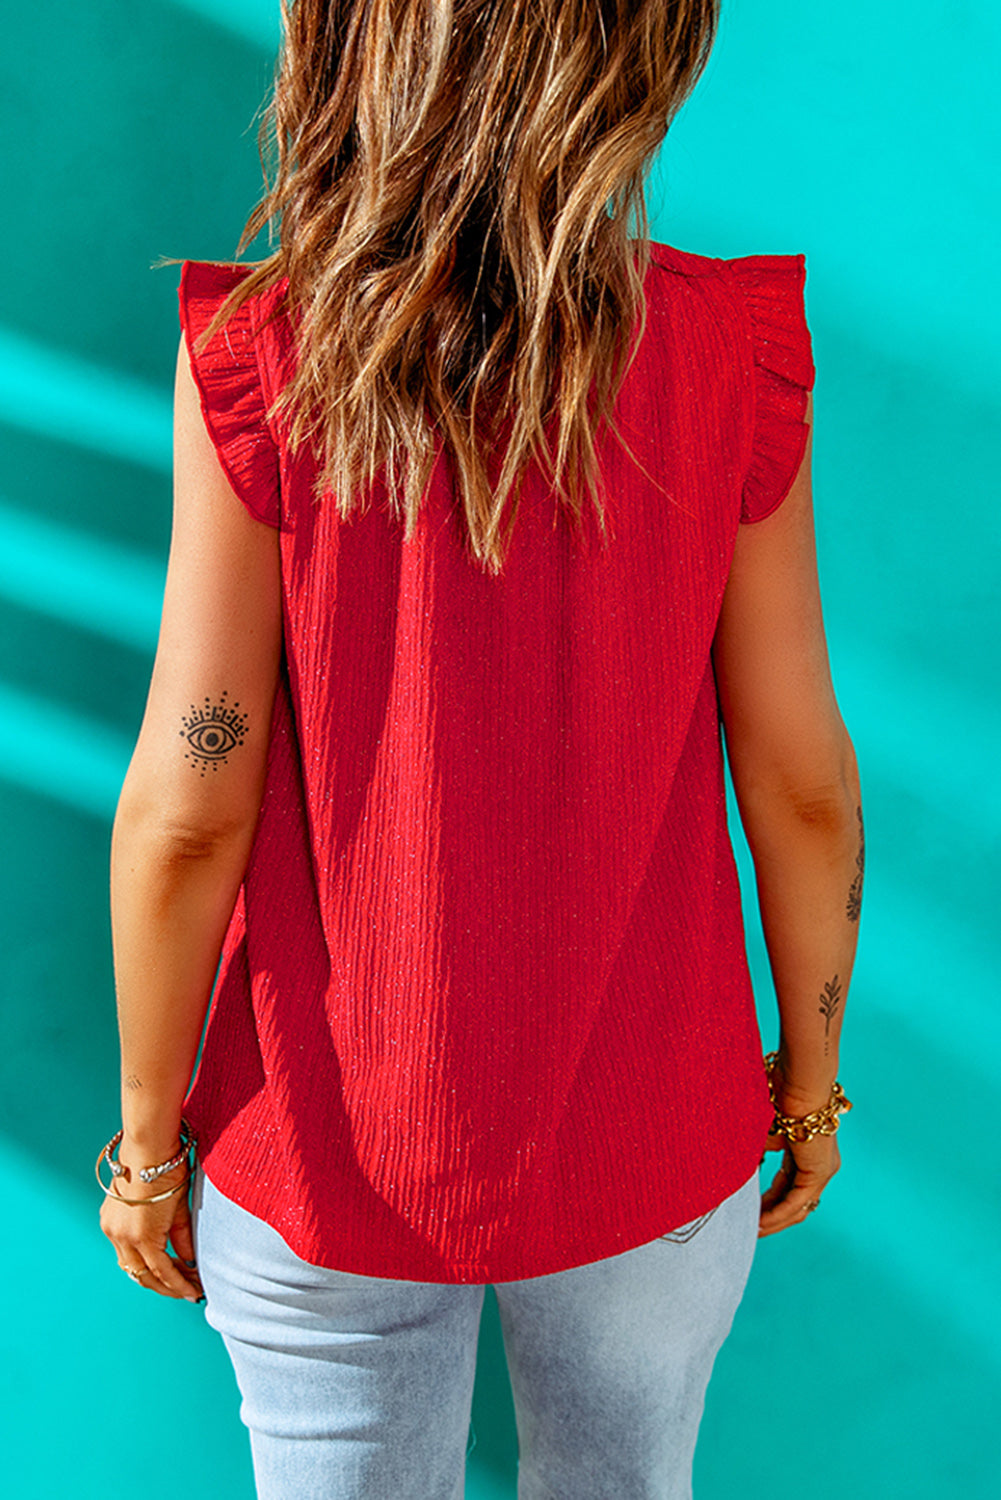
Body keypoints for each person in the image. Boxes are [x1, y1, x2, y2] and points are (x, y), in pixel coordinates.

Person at [98, 2, 862, 1495]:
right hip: (656, 1130)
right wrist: (809, 1078)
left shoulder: (263, 354)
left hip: (320, 1141)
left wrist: (144, 1145)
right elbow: (796, 779)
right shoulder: (731, 356)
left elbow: (193, 798)